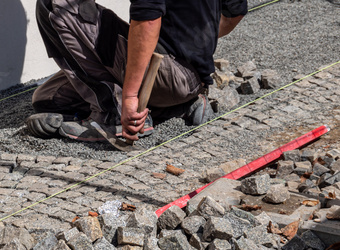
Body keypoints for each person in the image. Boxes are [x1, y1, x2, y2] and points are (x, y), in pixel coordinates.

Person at [25, 0, 247, 143]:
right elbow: (235, 12)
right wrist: (192, 49)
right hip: (192, 82)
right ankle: (176, 107)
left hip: (163, 72)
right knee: (48, 99)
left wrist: (130, 96)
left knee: (54, 3)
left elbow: (148, 22)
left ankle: (111, 114)